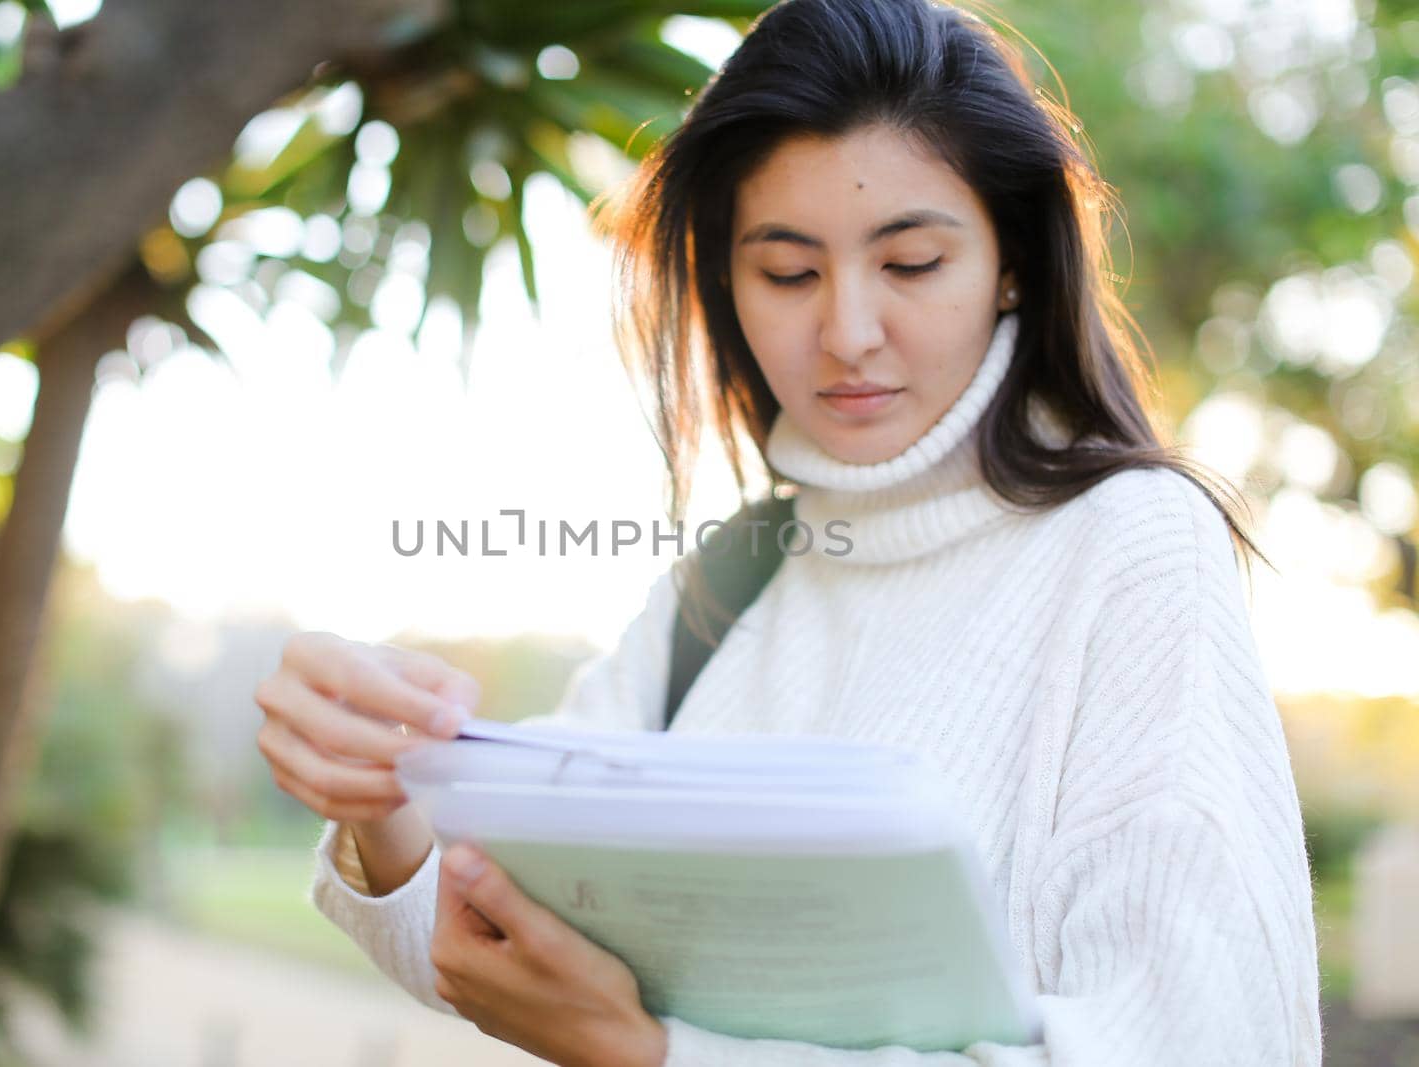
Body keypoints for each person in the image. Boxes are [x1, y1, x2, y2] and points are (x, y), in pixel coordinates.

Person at [252, 0, 1323, 1063]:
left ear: (1012, 263)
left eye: (910, 264)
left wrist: (655, 1051)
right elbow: (491, 923)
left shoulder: (1129, 544)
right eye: (788, 273)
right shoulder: (728, 580)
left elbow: (1195, 1037)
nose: (848, 333)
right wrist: (380, 787)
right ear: (726, 282)